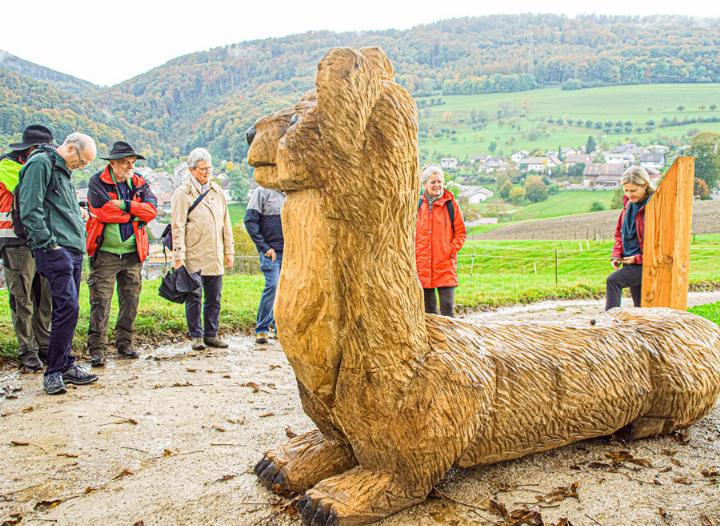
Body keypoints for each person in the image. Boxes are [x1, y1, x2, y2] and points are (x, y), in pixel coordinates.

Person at [19, 132, 98, 395]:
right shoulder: (41, 163)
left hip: (72, 249)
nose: (82, 166)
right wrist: (49, 244)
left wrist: (79, 213)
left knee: (70, 309)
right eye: (82, 161)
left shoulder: (62, 170)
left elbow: (57, 207)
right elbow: (31, 208)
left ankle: (65, 364)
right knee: (67, 306)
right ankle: (53, 371)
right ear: (72, 148)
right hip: (56, 249)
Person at [85, 141, 158, 366]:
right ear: (113, 163)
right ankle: (97, 349)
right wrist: (136, 214)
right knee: (101, 301)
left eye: (132, 162)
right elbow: (102, 212)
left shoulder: (139, 183)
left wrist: (125, 206)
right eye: (125, 162)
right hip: (106, 253)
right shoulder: (97, 181)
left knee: (130, 301)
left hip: (133, 253)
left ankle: (124, 343)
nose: (129, 166)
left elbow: (152, 210)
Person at [0, 125, 54, 371]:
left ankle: (44, 345)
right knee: (22, 299)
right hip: (15, 242)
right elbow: (31, 189)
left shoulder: (34, 164)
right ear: (32, 149)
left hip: (38, 240)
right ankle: (27, 351)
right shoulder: (7, 167)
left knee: (44, 297)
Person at [171, 148, 234, 350]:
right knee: (194, 296)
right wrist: (178, 256)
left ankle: (211, 333)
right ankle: (196, 335)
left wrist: (229, 251)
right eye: (202, 169)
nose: (207, 172)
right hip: (193, 254)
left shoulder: (217, 191)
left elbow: (227, 223)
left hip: (215, 252)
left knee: (214, 297)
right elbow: (177, 226)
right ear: (191, 170)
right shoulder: (182, 194)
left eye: (209, 168)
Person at [415, 165, 466, 317]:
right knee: (428, 312)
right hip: (422, 266)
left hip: (444, 265)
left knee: (447, 310)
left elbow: (461, 232)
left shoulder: (451, 205)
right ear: (425, 184)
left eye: (439, 181)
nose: (437, 185)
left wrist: (450, 250)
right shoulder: (417, 205)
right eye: (433, 182)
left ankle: (449, 340)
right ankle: (431, 341)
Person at [605, 166, 654, 311]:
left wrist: (638, 259)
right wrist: (616, 255)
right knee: (640, 307)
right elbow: (620, 233)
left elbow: (658, 242)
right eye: (626, 190)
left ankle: (609, 323)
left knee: (613, 281)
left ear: (644, 185)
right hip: (629, 262)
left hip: (644, 264)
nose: (629, 194)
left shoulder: (653, 206)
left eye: (633, 191)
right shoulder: (628, 205)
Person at [243, 185, 285, 344]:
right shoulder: (262, 191)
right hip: (271, 252)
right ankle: (262, 329)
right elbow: (249, 221)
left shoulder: (290, 190)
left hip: (289, 252)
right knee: (273, 285)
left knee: (284, 290)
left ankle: (278, 327)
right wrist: (265, 247)